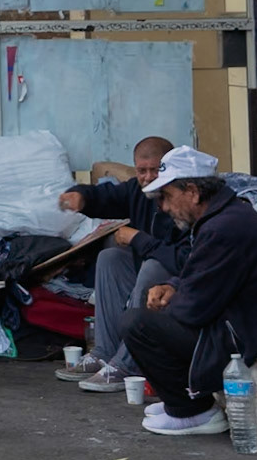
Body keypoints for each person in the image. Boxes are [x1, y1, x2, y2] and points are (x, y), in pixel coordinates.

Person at [120, 147, 257, 437]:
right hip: (243, 325)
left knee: (137, 324)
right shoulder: (225, 216)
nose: (163, 207)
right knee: (152, 314)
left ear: (192, 192)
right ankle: (183, 402)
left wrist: (172, 302)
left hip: (247, 338)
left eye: (167, 196)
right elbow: (200, 273)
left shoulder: (224, 228)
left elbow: (192, 311)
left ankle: (193, 411)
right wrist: (173, 286)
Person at [55, 136, 189, 393]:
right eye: (142, 171)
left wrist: (137, 239)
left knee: (152, 266)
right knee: (111, 257)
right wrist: (82, 197)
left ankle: (130, 364)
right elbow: (108, 196)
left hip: (176, 282)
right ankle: (105, 353)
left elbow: (180, 258)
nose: (148, 177)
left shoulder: (181, 200)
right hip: (150, 268)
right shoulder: (138, 191)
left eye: (155, 170)